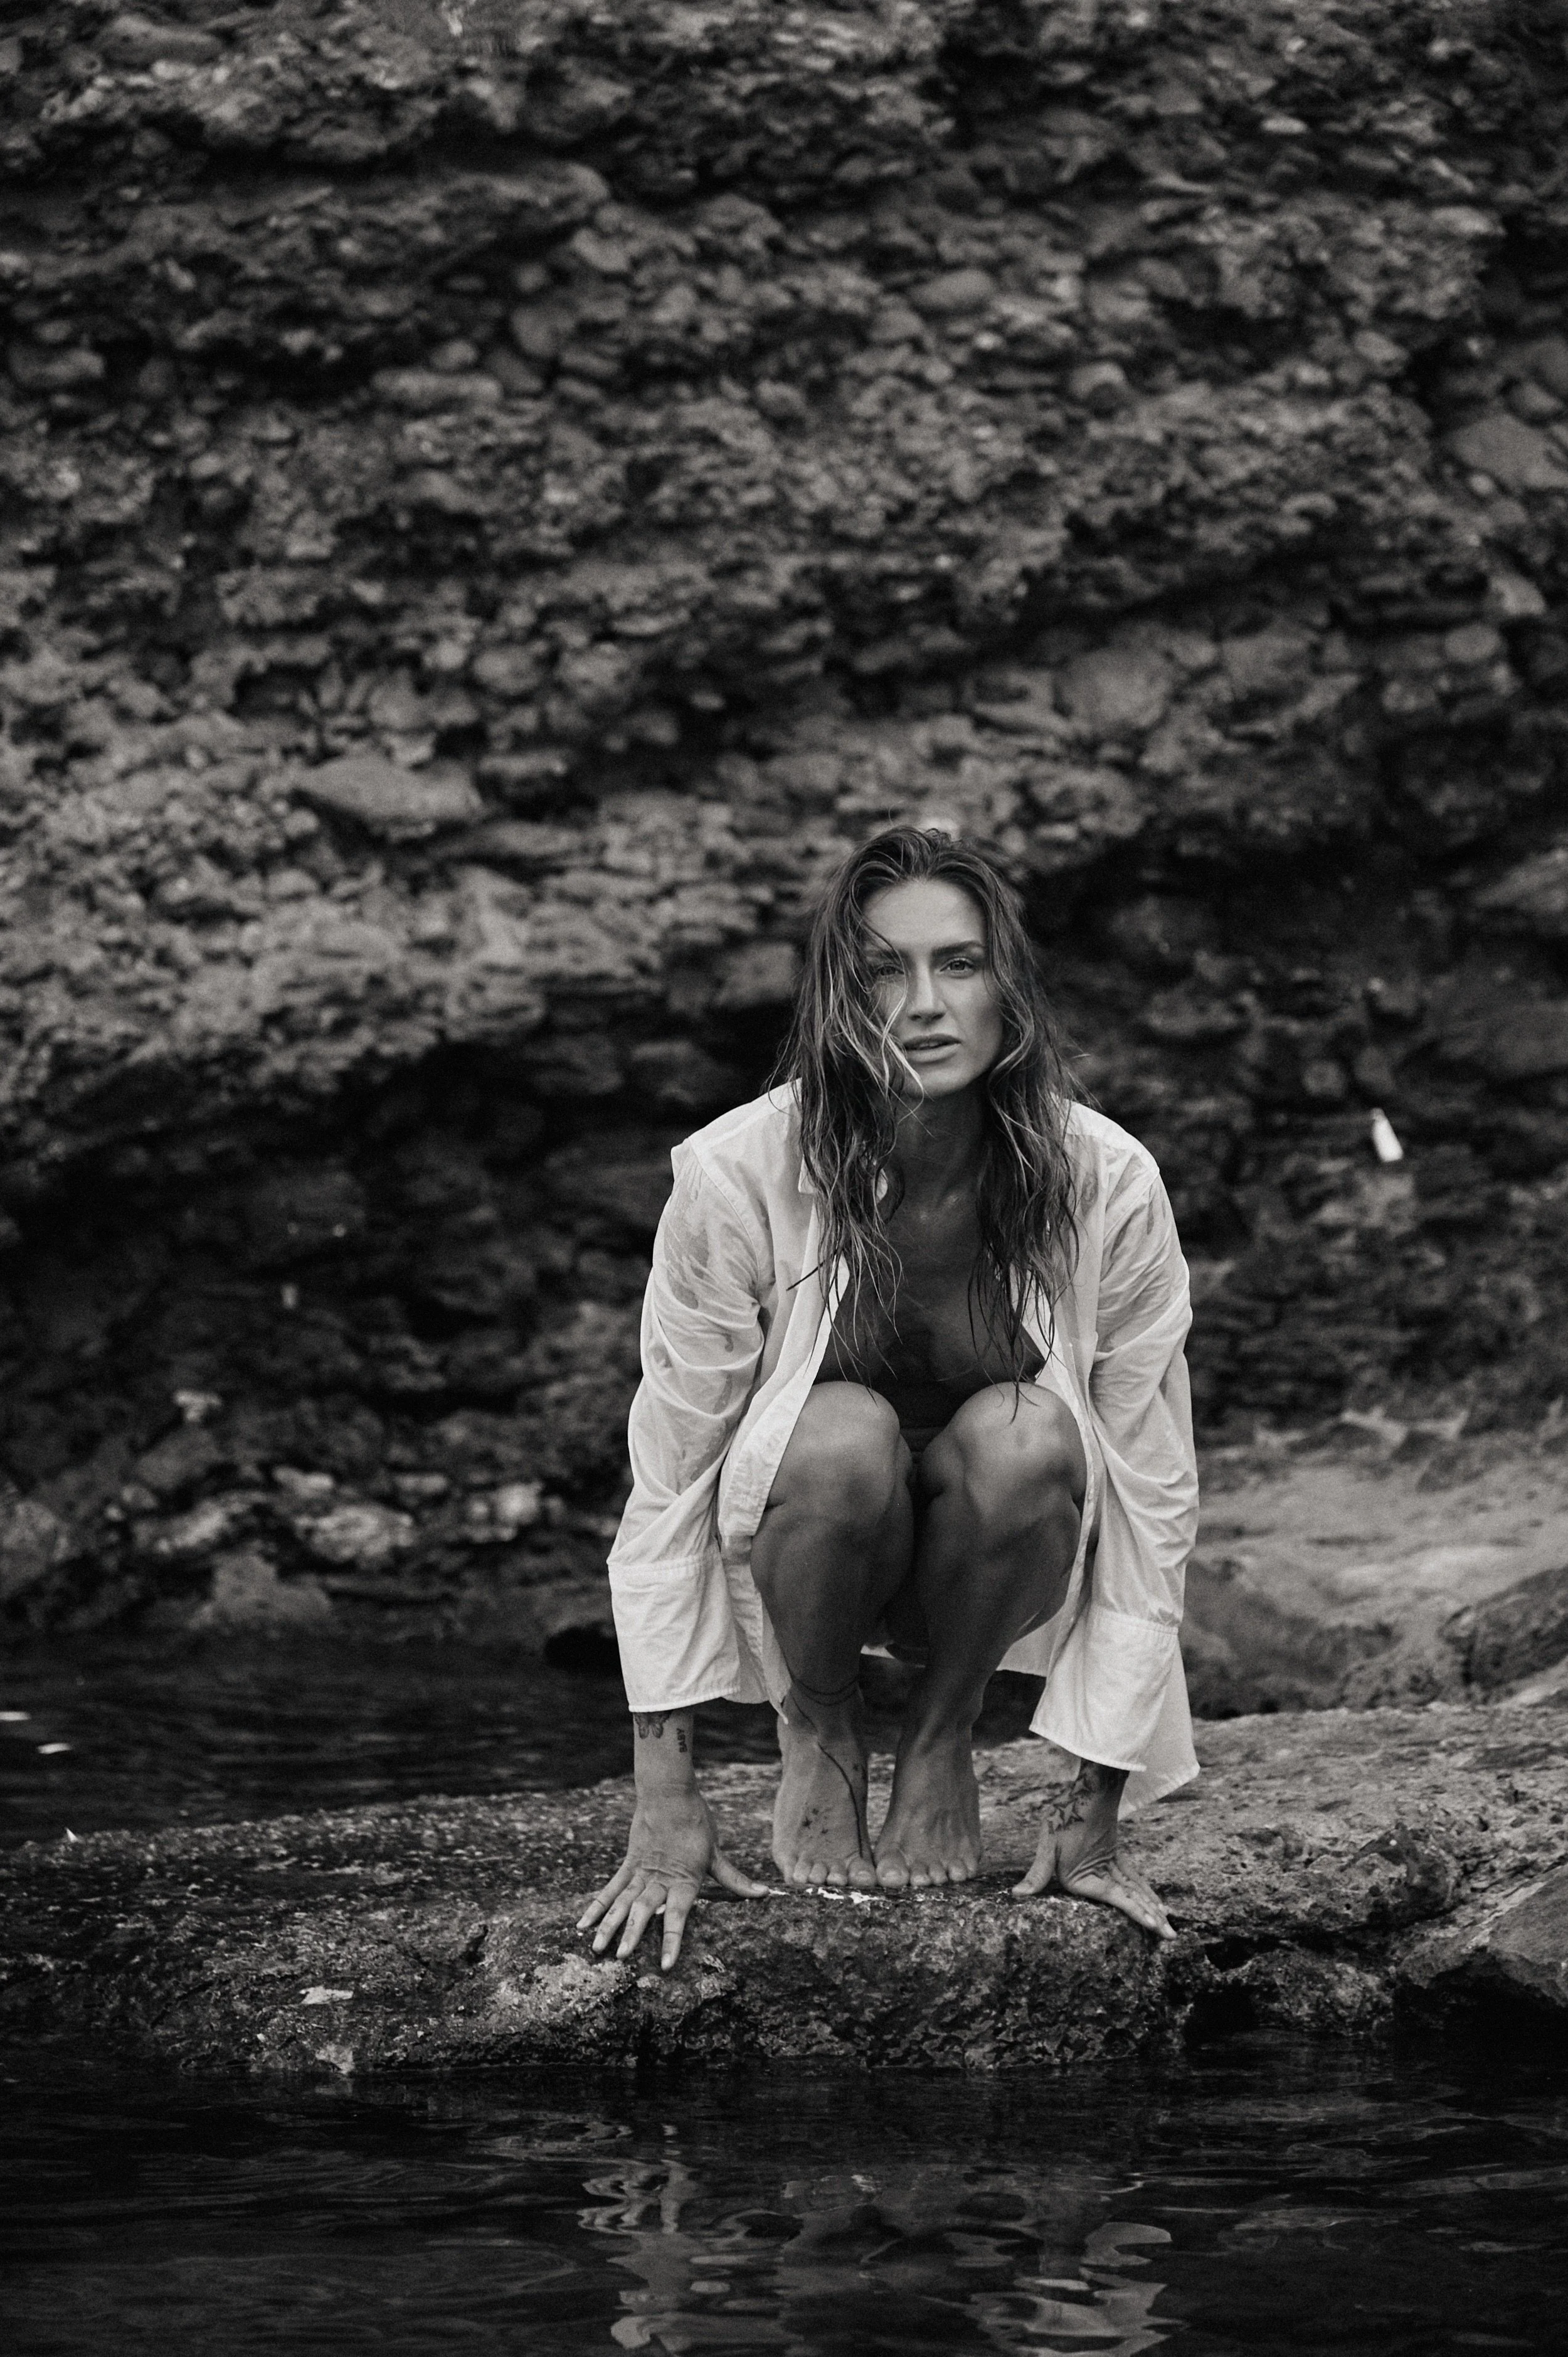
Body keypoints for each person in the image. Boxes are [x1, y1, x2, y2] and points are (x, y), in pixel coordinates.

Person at [578, 823, 1199, 1972]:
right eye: (881, 970)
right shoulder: (735, 1173)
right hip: (811, 1560)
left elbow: (1151, 1486)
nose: (923, 1003)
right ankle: (818, 1727)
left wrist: (1097, 1801)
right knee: (840, 1431)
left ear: (1007, 985)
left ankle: (941, 1732)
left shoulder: (1106, 1180)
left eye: (957, 964)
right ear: (834, 997)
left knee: (1028, 1434)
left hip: (988, 1564)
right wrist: (664, 1809)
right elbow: (668, 1481)